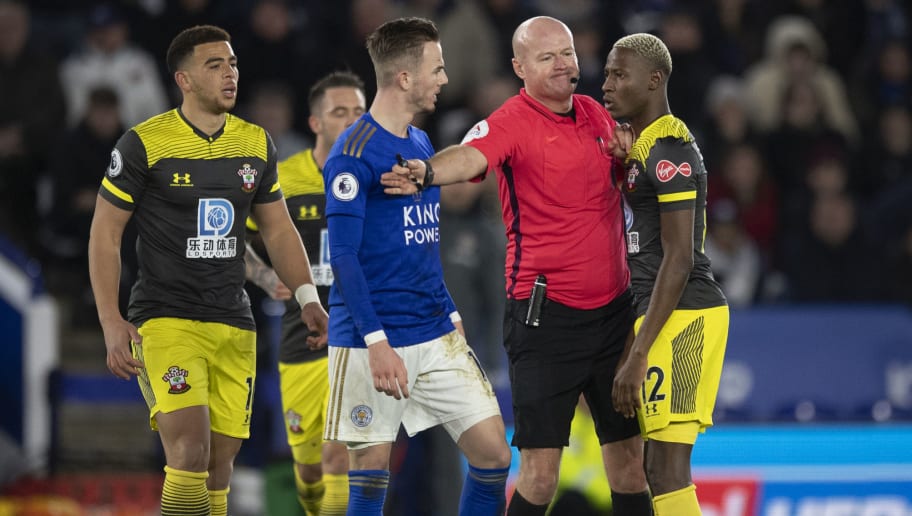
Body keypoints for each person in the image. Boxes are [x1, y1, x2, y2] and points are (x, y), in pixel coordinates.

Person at [381, 16, 652, 516]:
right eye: (547, 57)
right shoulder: (512, 121)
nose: (562, 64)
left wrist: (628, 157)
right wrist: (427, 172)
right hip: (546, 319)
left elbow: (630, 183)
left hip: (615, 317)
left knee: (631, 467)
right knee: (541, 476)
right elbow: (471, 156)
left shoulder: (597, 115)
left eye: (567, 53)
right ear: (519, 67)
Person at [87, 25, 328, 516]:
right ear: (185, 80)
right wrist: (111, 320)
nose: (229, 73)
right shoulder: (144, 143)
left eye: (232, 63)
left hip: (233, 322)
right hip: (165, 319)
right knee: (189, 450)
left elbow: (278, 230)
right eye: (214, 65)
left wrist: (307, 297)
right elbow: (105, 234)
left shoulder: (255, 143)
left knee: (218, 468)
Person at [321, 17, 512, 516]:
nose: (445, 79)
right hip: (371, 338)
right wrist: (376, 342)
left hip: (433, 330)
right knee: (371, 472)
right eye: (437, 68)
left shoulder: (422, 145)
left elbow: (423, 243)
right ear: (405, 77)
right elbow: (343, 256)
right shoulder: (352, 154)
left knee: (494, 455)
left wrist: (450, 312)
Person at [602, 33, 730, 515]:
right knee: (656, 467)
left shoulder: (670, 149)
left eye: (620, 74)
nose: (607, 84)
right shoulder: (646, 146)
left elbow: (679, 258)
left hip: (686, 314)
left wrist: (639, 353)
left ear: (655, 80)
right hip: (662, 313)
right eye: (608, 73)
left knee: (667, 469)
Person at [244, 70, 367, 516]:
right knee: (310, 466)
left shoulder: (379, 179)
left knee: (339, 456)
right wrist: (264, 277)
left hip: (359, 336)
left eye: (359, 112)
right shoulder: (285, 179)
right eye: (340, 112)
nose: (351, 121)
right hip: (301, 339)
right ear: (315, 122)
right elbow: (235, 240)